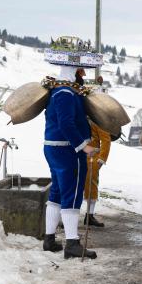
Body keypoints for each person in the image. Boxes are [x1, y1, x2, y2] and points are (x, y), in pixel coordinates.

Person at [42, 63, 98, 259]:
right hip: (67, 150)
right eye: (81, 70)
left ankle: (49, 239)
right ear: (74, 71)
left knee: (57, 192)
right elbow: (66, 122)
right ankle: (72, 243)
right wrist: (83, 146)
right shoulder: (65, 93)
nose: (84, 74)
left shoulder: (58, 91)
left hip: (54, 147)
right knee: (72, 194)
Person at [83, 119, 111, 228]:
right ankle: (67, 217)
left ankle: (89, 215)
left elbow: (106, 140)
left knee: (91, 186)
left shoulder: (99, 120)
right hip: (76, 155)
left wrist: (101, 159)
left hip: (92, 158)